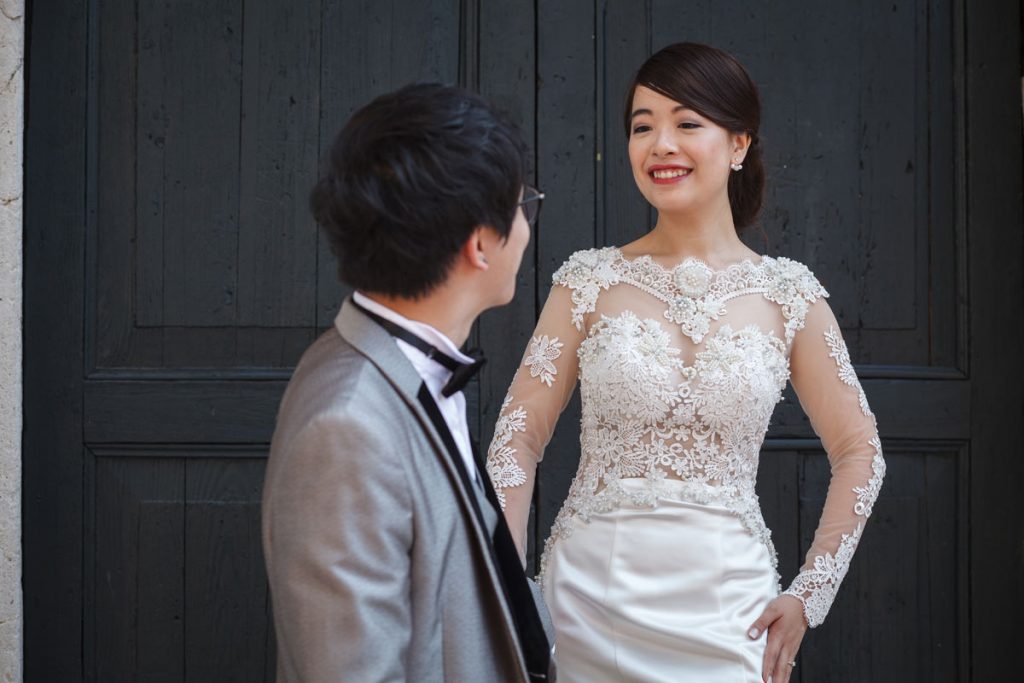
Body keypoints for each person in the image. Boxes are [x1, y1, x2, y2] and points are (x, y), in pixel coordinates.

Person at [485, 43, 885, 683]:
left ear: (738, 145)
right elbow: (517, 437)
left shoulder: (790, 295)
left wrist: (810, 595)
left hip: (732, 606)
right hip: (591, 597)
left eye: (686, 123)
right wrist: (502, 581)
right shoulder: (587, 281)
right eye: (642, 126)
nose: (659, 144)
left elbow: (860, 448)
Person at [262, 83, 555, 682]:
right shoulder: (347, 425)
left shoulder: (384, 365)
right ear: (479, 244)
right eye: (522, 205)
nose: (526, 226)